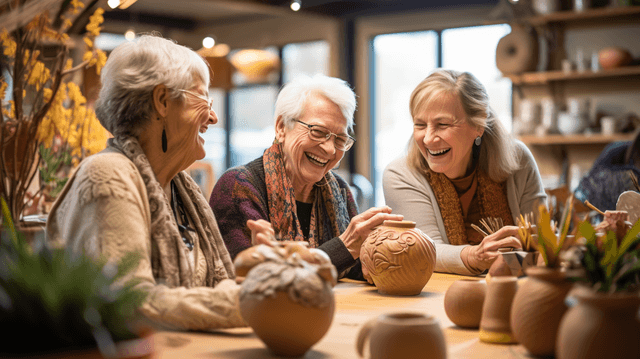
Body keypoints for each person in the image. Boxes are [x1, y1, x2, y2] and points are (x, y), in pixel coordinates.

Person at [46, 35, 257, 330]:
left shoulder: (183, 189)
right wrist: (252, 302)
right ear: (161, 101)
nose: (213, 116)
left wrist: (259, 274)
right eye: (203, 99)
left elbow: (215, 286)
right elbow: (128, 301)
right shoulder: (107, 174)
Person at [210, 74, 403, 279]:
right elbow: (253, 281)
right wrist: (344, 247)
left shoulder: (339, 189)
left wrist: (380, 252)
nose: (329, 150)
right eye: (318, 132)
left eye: (340, 139)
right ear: (281, 127)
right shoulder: (238, 187)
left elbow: (353, 270)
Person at [383, 69, 546, 275]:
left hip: (512, 290)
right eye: (420, 125)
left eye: (443, 124)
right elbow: (424, 251)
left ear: (478, 125)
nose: (428, 139)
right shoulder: (400, 174)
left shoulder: (518, 160)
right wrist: (475, 256)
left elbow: (541, 242)